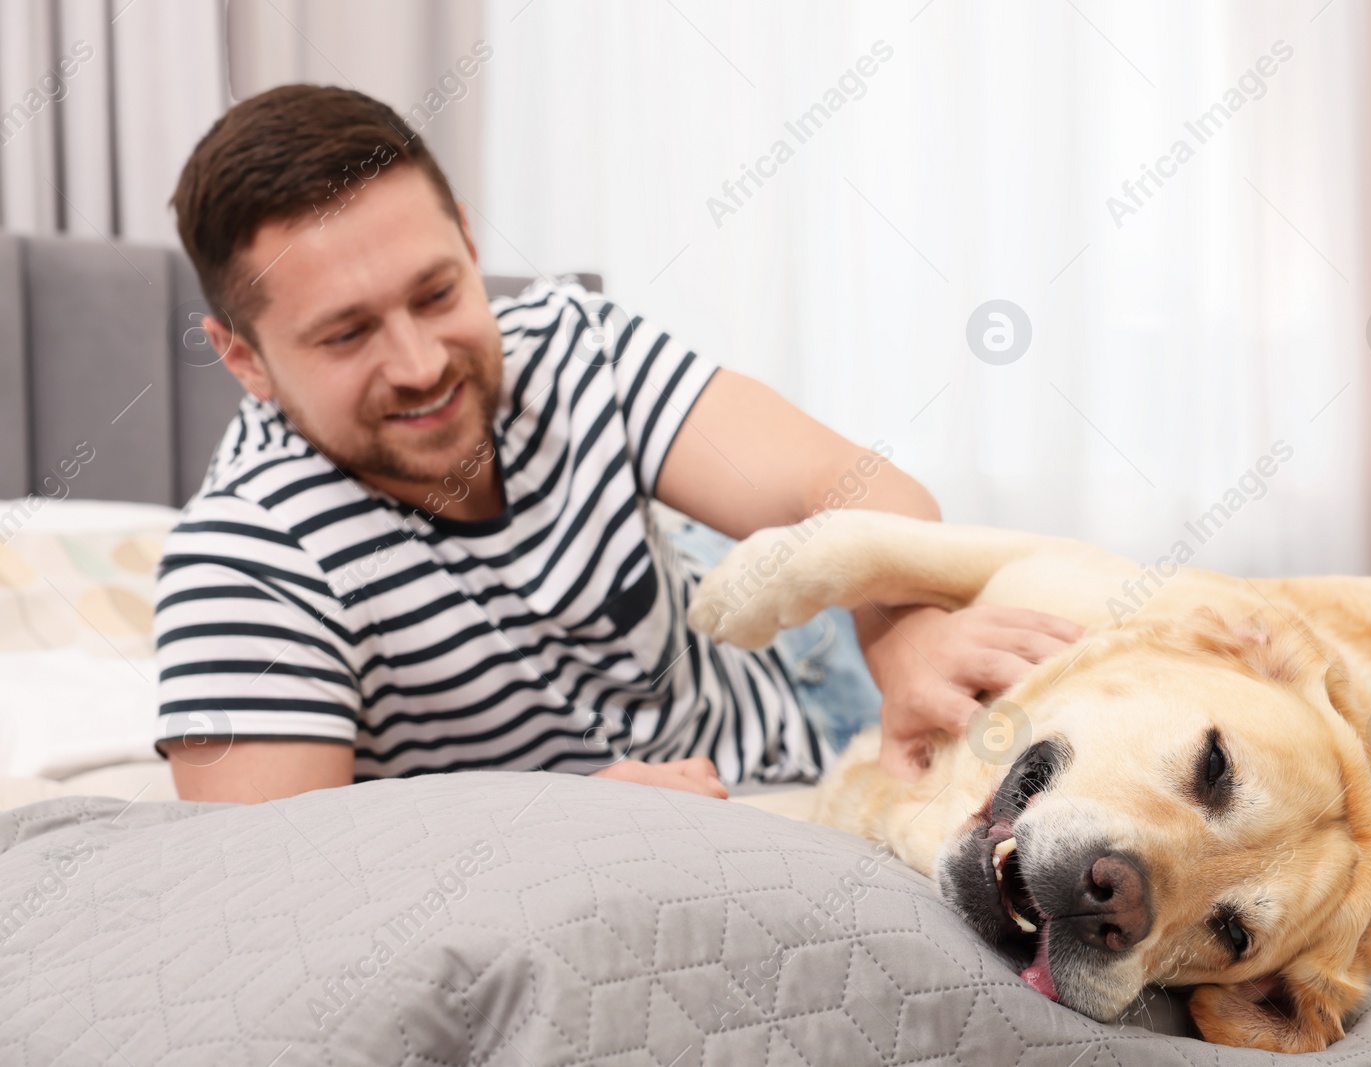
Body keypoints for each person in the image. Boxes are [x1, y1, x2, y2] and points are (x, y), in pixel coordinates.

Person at [155, 84, 1082, 803]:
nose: (420, 363)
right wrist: (556, 819)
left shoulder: (571, 345)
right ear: (244, 358)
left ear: (470, 246)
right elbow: (274, 898)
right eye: (348, 334)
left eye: (436, 294)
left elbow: (861, 487)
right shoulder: (246, 564)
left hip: (815, 681)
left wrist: (909, 646)